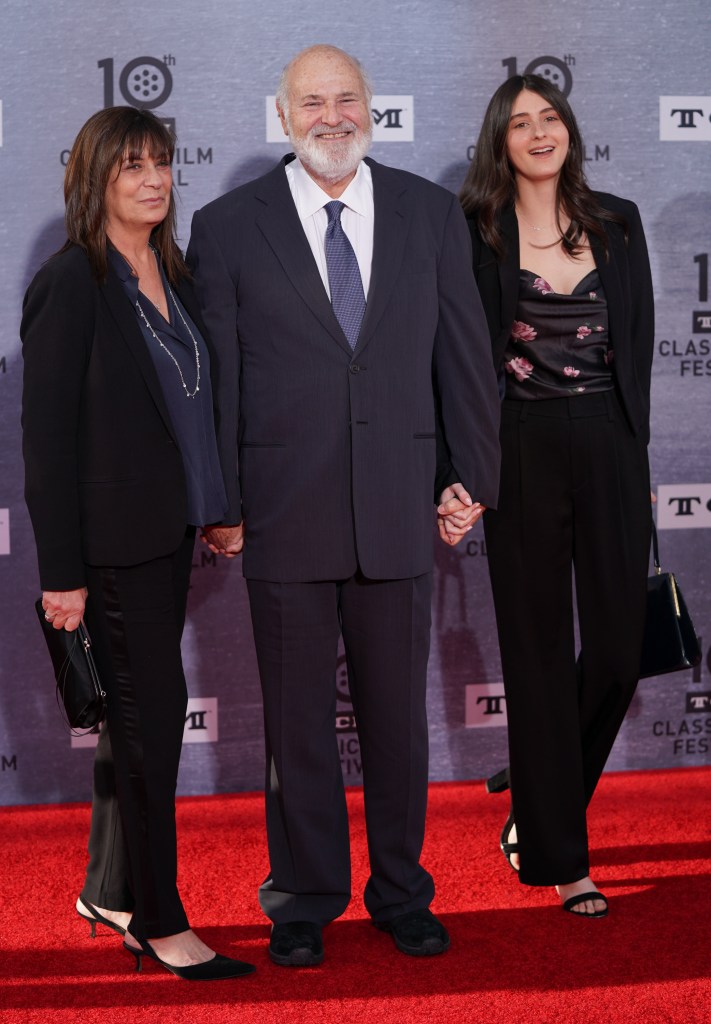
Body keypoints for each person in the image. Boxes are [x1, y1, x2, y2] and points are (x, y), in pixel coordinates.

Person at [187, 44, 500, 965]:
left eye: (347, 99)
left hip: (402, 505)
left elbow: (464, 362)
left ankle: (402, 892)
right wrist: (225, 502)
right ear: (282, 117)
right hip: (281, 510)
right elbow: (221, 379)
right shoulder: (228, 224)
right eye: (312, 102)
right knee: (295, 726)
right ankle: (303, 899)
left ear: (372, 109)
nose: (332, 116)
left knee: (399, 723)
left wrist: (470, 476)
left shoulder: (428, 213)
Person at [21, 107, 254, 980]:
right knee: (151, 727)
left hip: (170, 539)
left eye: (160, 163)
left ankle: (111, 890)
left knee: (142, 723)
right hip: (110, 550)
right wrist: (62, 579)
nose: (152, 180)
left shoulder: (177, 274)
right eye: (130, 167)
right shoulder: (73, 281)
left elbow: (196, 409)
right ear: (94, 178)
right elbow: (46, 441)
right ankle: (158, 920)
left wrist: (221, 505)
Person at [459, 75, 654, 916]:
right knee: (536, 656)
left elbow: (638, 342)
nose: (539, 132)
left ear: (568, 129)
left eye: (550, 118)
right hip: (521, 452)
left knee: (615, 651)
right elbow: (463, 362)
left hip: (608, 443)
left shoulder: (616, 220)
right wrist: (461, 467)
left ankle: (538, 788)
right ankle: (561, 857)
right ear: (498, 141)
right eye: (520, 123)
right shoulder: (477, 233)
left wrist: (632, 451)